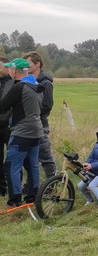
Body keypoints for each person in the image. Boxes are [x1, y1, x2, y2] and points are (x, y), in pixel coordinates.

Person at [0, 58, 43, 208]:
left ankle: (14, 201)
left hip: (22, 132)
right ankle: (33, 197)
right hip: (37, 130)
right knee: (32, 165)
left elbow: (3, 106)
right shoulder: (36, 84)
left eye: (9, 69)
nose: (9, 71)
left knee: (11, 165)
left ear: (13, 71)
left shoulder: (19, 87)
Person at [24, 51, 56, 179]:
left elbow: (47, 106)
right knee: (30, 159)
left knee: (45, 158)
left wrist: (34, 116)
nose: (26, 67)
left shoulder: (46, 83)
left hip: (40, 125)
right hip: (27, 125)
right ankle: (31, 186)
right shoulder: (28, 81)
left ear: (37, 64)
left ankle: (52, 184)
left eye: (28, 64)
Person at [0, 58, 13, 197]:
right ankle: (1, 188)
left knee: (12, 159)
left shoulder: (13, 82)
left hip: (9, 127)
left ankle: (14, 188)